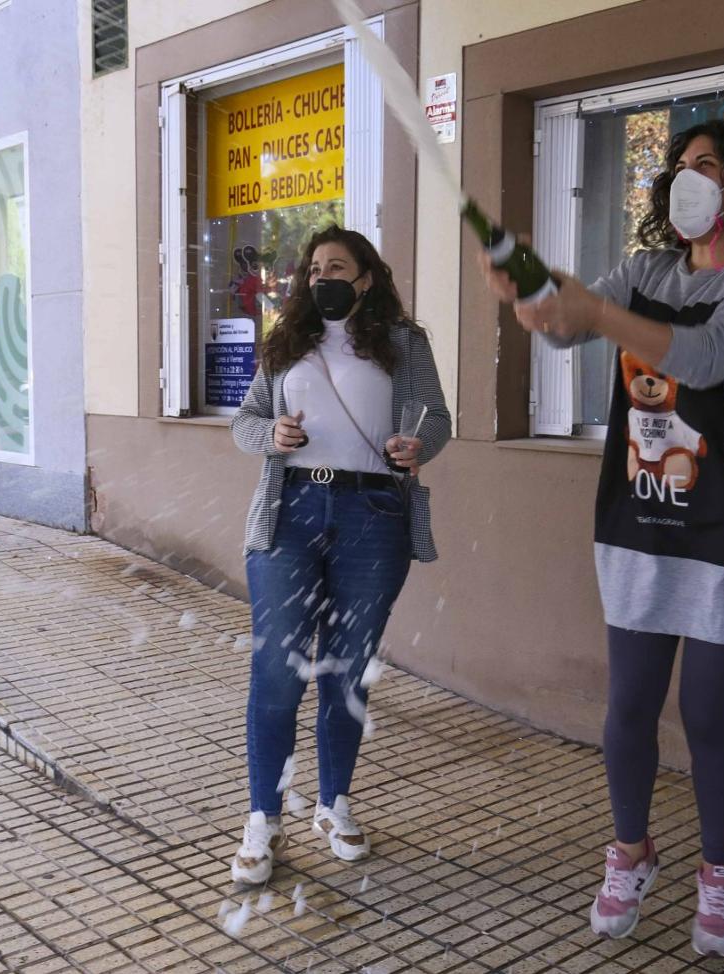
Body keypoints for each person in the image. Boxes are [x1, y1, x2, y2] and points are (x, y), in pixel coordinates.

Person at [479, 119, 724, 959]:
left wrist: (593, 310)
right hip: (642, 516)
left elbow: (705, 356)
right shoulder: (647, 270)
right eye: (678, 166)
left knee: (706, 712)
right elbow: (562, 328)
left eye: (706, 166)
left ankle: (719, 871)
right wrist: (532, 294)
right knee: (627, 706)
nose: (685, 179)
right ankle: (631, 849)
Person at [229, 224, 451, 884]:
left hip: (373, 515)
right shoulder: (285, 342)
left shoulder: (404, 344)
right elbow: (245, 422)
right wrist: (272, 433)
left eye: (337, 266)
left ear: (367, 277)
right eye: (314, 268)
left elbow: (435, 417)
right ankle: (263, 817)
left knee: (346, 672)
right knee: (277, 672)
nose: (322, 276)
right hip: (290, 514)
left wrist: (420, 446)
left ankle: (333, 804)